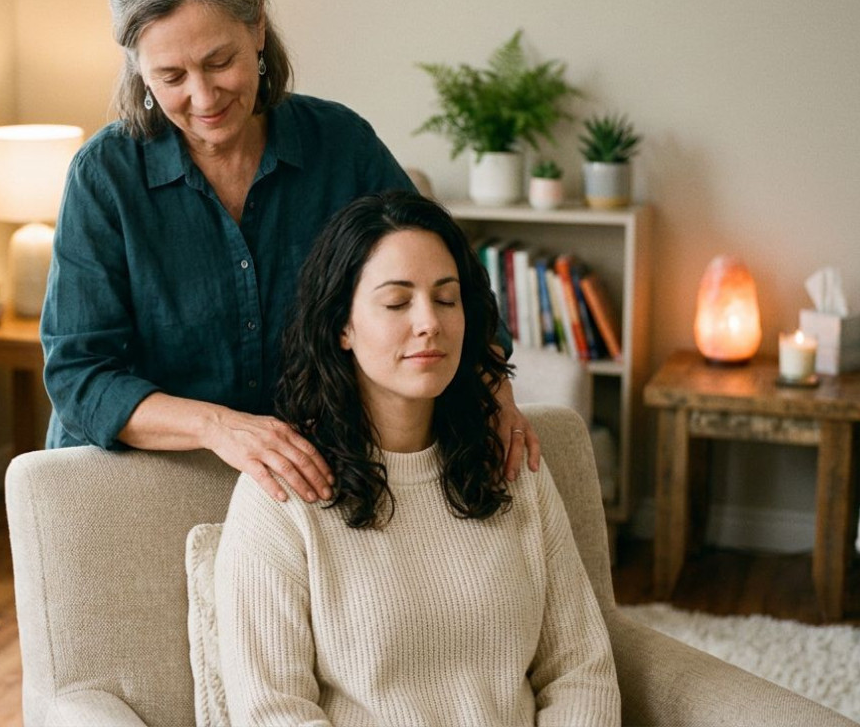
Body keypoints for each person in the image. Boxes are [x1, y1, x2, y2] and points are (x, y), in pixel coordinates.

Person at [41, 0, 539, 504]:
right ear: (137, 66)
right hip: (142, 483)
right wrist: (219, 426)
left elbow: (458, 288)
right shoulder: (104, 178)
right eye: (171, 77)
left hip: (305, 481)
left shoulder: (340, 146)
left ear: (257, 26)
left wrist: (495, 391)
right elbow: (79, 377)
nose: (203, 98)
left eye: (220, 61)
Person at [212, 190, 620, 725]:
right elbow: (271, 712)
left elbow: (581, 671)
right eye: (397, 303)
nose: (429, 322)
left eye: (446, 299)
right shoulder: (281, 494)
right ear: (342, 326)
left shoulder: (510, 462)